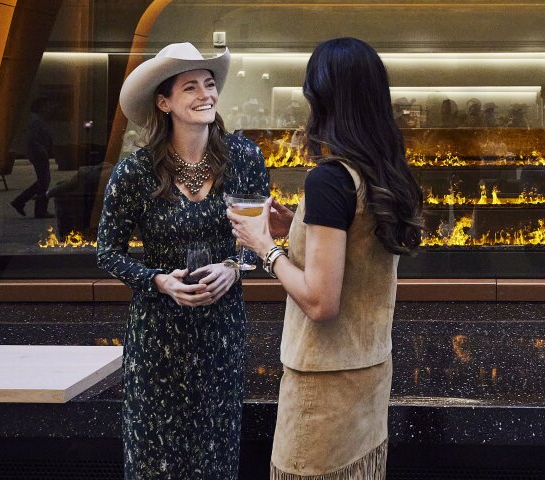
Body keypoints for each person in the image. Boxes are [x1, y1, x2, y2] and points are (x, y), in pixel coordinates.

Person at [230, 37, 424, 480]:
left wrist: (265, 247)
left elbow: (320, 302)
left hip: (323, 387)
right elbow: (356, 249)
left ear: (322, 98)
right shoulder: (380, 172)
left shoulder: (329, 180)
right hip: (369, 374)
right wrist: (297, 225)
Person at [97, 42, 270, 480]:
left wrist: (233, 268)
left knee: (215, 456)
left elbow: (258, 238)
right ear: (164, 102)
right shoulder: (135, 172)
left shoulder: (244, 157)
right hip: (157, 336)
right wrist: (160, 281)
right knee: (154, 460)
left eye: (209, 84)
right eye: (190, 87)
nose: (205, 94)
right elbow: (108, 252)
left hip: (221, 332)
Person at [11, 96, 54, 218]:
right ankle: (39, 209)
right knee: (44, 181)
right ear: (41, 107)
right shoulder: (36, 121)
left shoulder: (39, 120)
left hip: (40, 153)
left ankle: (20, 201)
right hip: (39, 154)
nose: (49, 108)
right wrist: (42, 150)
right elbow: (33, 139)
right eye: (47, 105)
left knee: (43, 180)